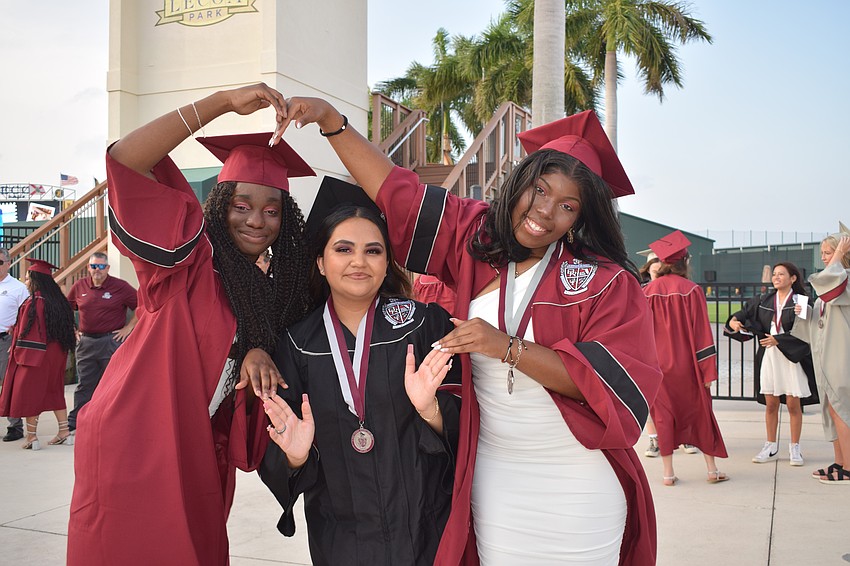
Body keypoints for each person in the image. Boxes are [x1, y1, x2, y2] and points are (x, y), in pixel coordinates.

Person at [282, 97, 662, 565]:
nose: (545, 211)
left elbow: (610, 385)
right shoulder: (475, 241)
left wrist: (506, 347)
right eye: (540, 190)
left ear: (579, 219)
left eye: (567, 205)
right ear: (521, 181)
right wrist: (331, 122)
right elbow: (398, 192)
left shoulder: (603, 282)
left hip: (577, 478)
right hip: (496, 474)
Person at [67, 84, 315, 565]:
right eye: (241, 205)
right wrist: (219, 103)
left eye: (272, 210)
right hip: (136, 441)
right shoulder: (186, 264)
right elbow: (127, 162)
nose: (256, 221)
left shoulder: (272, 295)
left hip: (198, 450)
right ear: (220, 205)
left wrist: (252, 353)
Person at [259, 188, 462, 565]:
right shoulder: (298, 344)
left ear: (387, 263)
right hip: (340, 536)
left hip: (425, 528)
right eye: (343, 249)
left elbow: (468, 427)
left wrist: (431, 410)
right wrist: (295, 458)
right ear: (320, 262)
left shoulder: (421, 325)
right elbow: (278, 446)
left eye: (373, 250)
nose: (359, 262)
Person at [643, 230, 729, 486]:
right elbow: (702, 334)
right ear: (684, 263)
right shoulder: (691, 290)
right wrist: (708, 371)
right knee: (702, 413)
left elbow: (641, 335)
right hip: (688, 367)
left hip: (658, 367)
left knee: (663, 416)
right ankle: (712, 470)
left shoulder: (646, 292)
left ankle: (668, 474)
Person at [726, 261, 817, 466]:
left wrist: (780, 340)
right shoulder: (763, 299)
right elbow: (742, 314)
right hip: (769, 357)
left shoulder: (800, 301)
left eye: (781, 274)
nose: (776, 277)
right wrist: (733, 321)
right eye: (774, 274)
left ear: (793, 278)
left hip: (792, 357)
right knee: (771, 404)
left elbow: (805, 332)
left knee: (794, 405)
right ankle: (770, 446)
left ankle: (795, 448)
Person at [792, 226, 850, 484]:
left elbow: (831, 287)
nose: (825, 257)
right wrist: (804, 313)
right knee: (831, 408)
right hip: (825, 356)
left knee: (842, 409)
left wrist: (839, 255)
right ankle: (839, 461)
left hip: (841, 356)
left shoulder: (844, 279)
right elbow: (819, 322)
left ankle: (848, 467)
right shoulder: (834, 280)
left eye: (830, 252)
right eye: (824, 253)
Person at [0, 259, 76, 450]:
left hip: (35, 357)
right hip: (56, 356)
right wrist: (16, 329)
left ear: (36, 281)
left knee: (29, 393)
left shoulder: (35, 302)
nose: (26, 282)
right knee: (55, 392)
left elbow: (33, 332)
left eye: (28, 279)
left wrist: (18, 349)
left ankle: (32, 437)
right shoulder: (59, 302)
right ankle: (64, 432)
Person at [65, 252, 139, 438]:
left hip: (111, 342)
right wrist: (74, 330)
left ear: (107, 268)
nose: (97, 270)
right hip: (86, 343)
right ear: (88, 268)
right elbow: (66, 309)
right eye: (93, 266)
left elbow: (142, 306)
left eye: (101, 266)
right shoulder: (79, 286)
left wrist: (128, 328)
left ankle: (114, 421)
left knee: (113, 383)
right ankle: (77, 421)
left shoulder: (120, 287)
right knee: (85, 384)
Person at [0, 248, 30, 442]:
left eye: (0, 262)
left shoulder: (18, 288)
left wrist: (18, 336)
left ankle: (15, 426)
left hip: (6, 340)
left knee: (8, 383)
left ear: (8, 263)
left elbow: (28, 315)